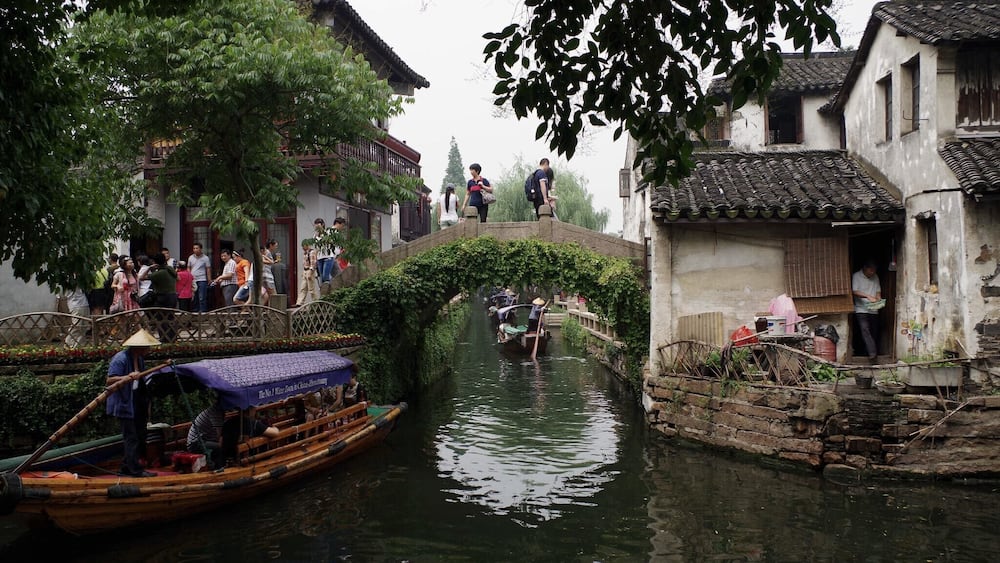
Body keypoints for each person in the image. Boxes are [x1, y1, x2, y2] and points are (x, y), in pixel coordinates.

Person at [106, 328, 161, 477]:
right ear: (139, 347)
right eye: (147, 347)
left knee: (140, 435)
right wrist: (127, 377)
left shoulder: (140, 359)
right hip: (124, 402)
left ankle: (126, 466)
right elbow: (109, 380)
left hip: (136, 400)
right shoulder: (121, 359)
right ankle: (135, 470)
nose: (149, 350)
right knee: (131, 437)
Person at [852, 260, 882, 363]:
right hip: (861, 309)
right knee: (865, 331)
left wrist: (878, 299)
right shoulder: (856, 276)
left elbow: (878, 291)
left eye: (874, 271)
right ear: (865, 268)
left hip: (873, 309)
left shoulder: (875, 277)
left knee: (873, 333)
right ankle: (873, 355)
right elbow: (854, 291)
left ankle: (867, 353)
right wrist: (868, 296)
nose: (872, 273)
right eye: (871, 270)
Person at [147, 253, 178, 342]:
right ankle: (172, 337)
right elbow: (178, 277)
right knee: (170, 318)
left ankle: (164, 338)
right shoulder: (170, 269)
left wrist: (149, 268)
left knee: (161, 318)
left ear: (155, 262)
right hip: (173, 296)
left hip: (163, 297)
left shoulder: (159, 273)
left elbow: (141, 277)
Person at [187, 401, 225, 469]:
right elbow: (219, 435)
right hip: (195, 443)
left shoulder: (216, 411)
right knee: (219, 447)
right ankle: (218, 468)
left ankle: (217, 465)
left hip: (203, 440)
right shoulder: (215, 413)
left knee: (219, 446)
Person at [187, 242, 212, 312]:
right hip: (193, 279)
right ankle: (195, 311)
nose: (195, 250)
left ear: (201, 249)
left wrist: (209, 279)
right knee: (194, 297)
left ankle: (202, 311)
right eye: (194, 248)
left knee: (202, 297)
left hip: (202, 279)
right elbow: (188, 267)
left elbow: (208, 269)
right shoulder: (191, 257)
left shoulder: (205, 258)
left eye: (197, 248)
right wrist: (189, 277)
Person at [295, 239, 319, 306]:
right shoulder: (305, 253)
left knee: (311, 289)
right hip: (305, 271)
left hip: (309, 271)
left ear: (307, 245)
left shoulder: (311, 252)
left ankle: (316, 303)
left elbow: (313, 263)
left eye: (303, 246)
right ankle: (299, 303)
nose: (302, 248)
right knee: (303, 288)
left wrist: (310, 273)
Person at [314, 218, 334, 285]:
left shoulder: (328, 233)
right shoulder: (315, 236)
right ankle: (325, 290)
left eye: (318, 224)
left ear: (322, 224)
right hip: (319, 258)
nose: (317, 226)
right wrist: (315, 259)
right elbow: (316, 248)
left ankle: (333, 285)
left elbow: (331, 243)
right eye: (316, 224)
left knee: (326, 276)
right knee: (321, 277)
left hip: (328, 256)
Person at [260, 240, 277, 306]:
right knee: (273, 295)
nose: (276, 248)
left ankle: (266, 309)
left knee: (267, 295)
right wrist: (271, 261)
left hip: (264, 275)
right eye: (275, 246)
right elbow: (264, 261)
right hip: (267, 275)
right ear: (271, 245)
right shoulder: (267, 252)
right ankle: (273, 310)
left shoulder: (267, 252)